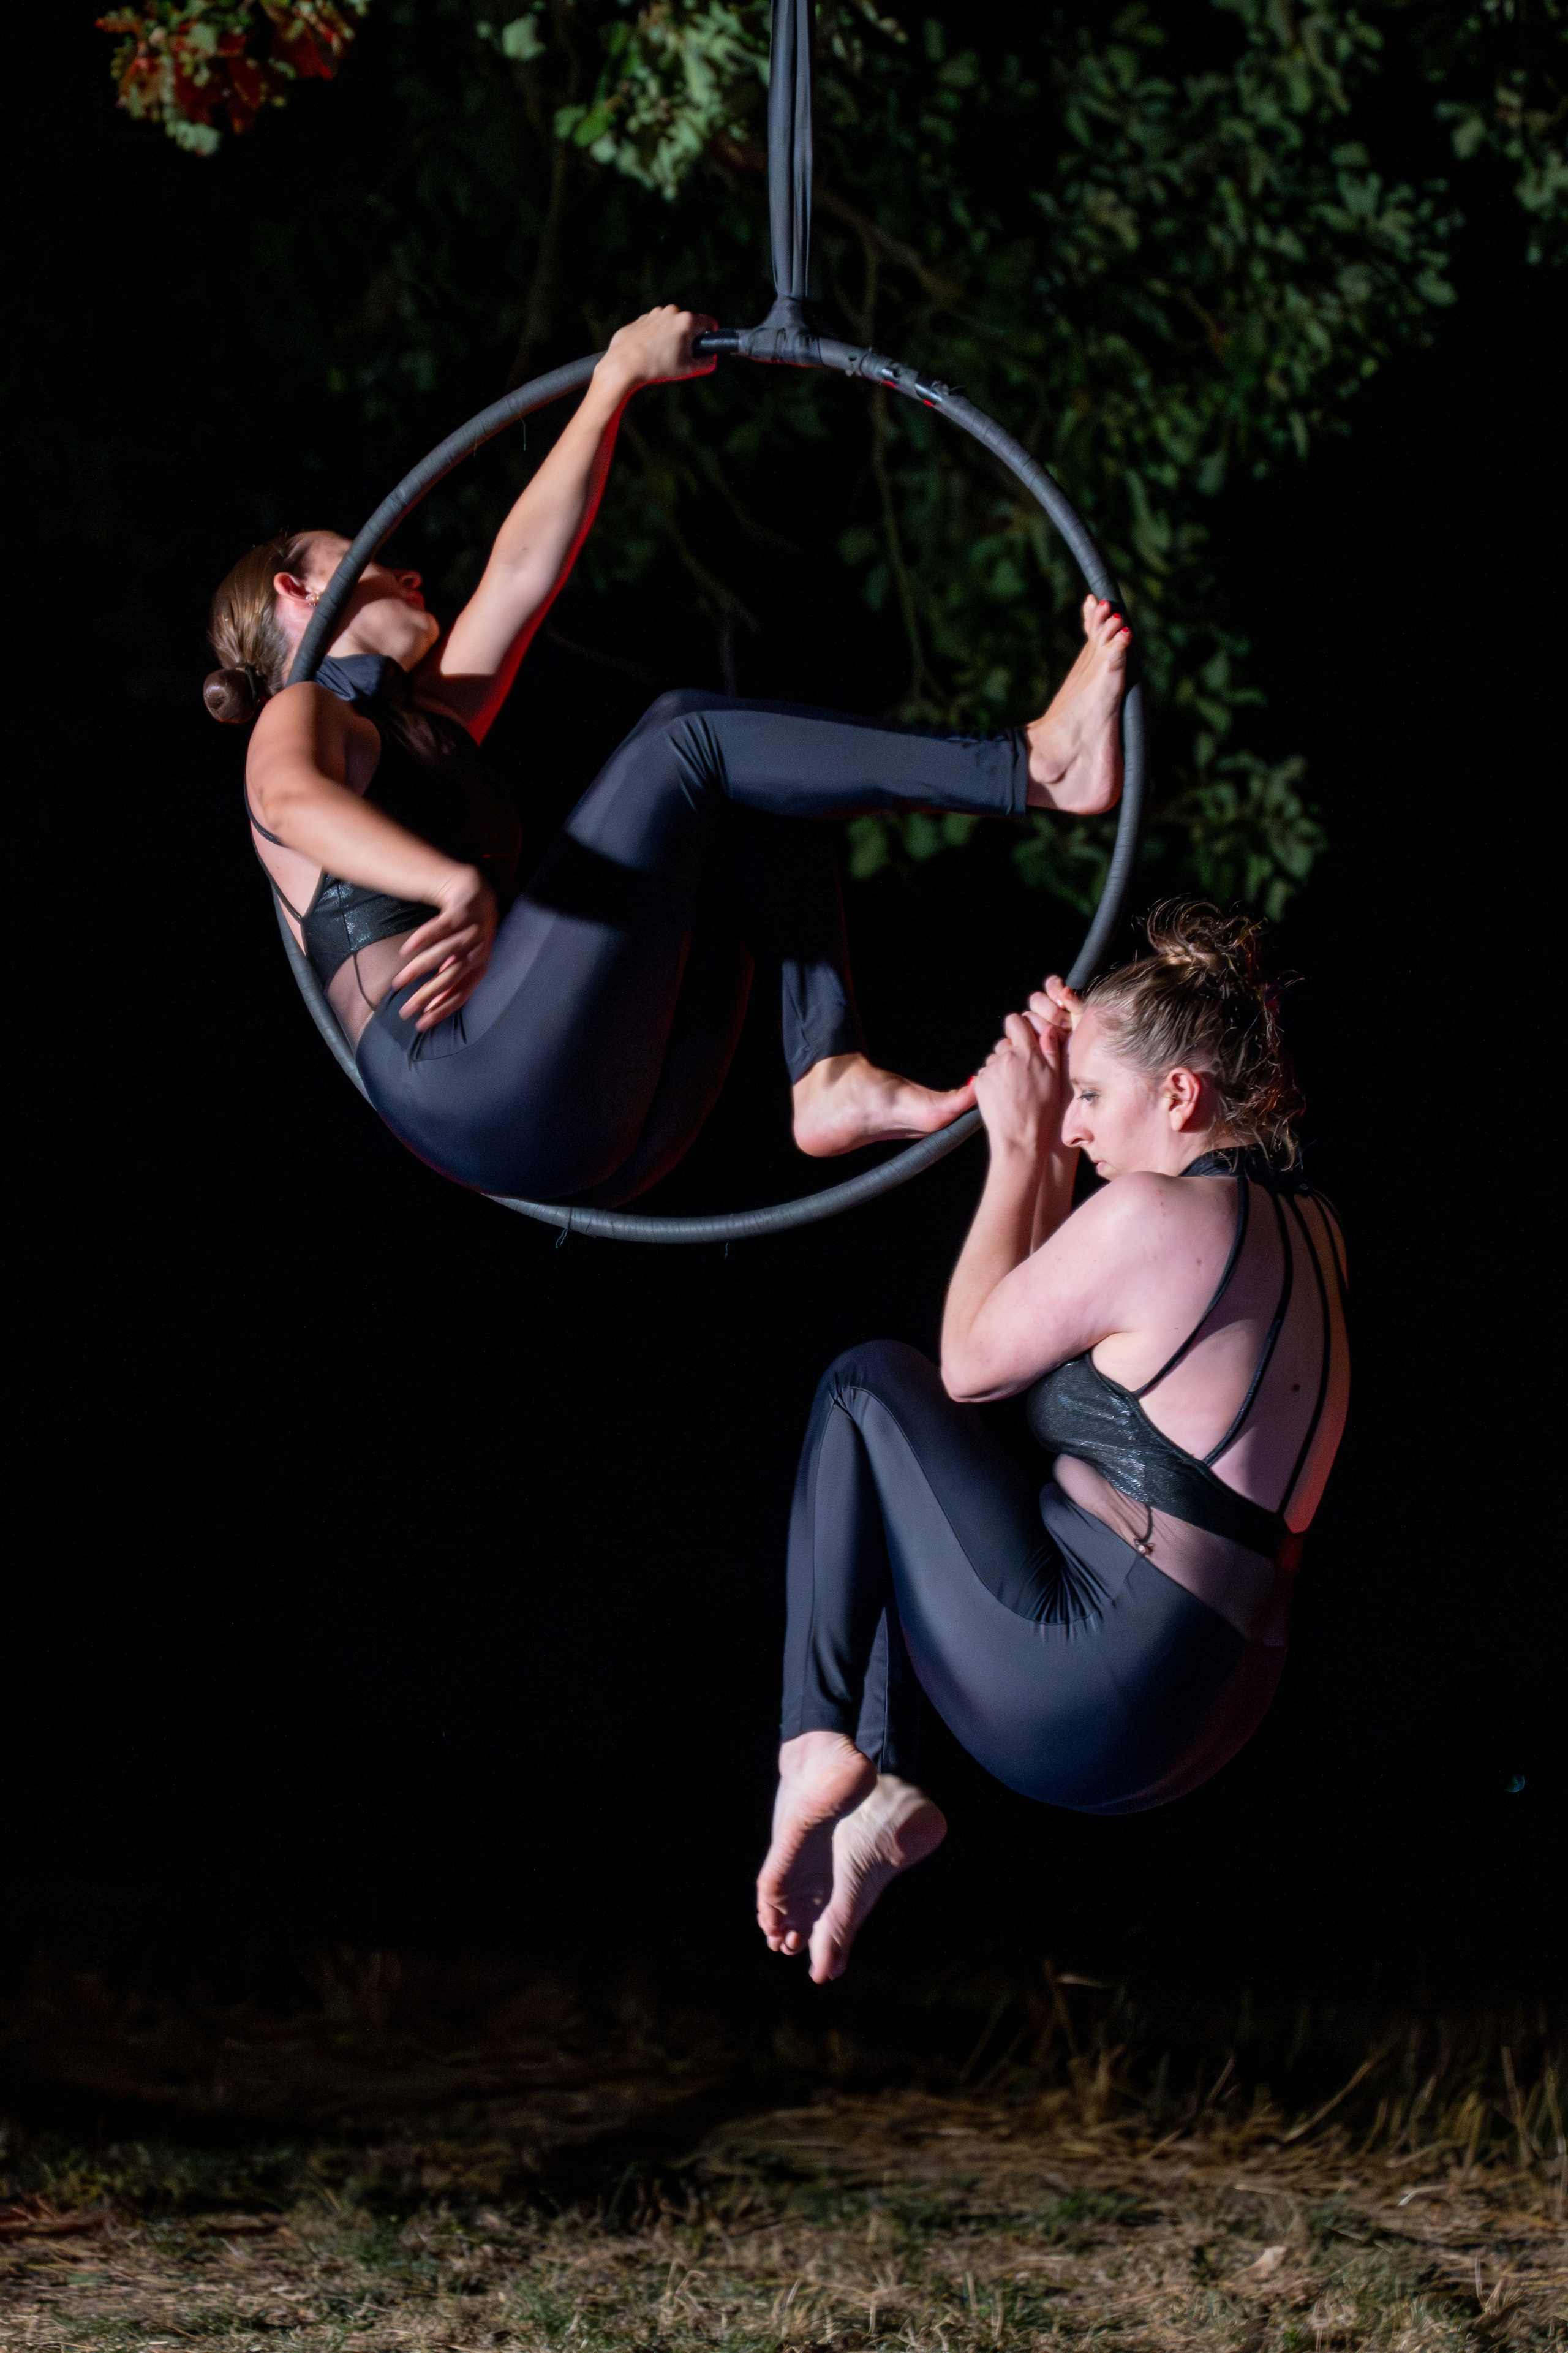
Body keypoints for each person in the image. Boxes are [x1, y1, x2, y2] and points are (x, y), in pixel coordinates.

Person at [207, 306, 1129, 1207]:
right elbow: (289, 802)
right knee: (683, 733)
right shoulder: (300, 709)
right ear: (300, 592)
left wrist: (617, 381)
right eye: (365, 561)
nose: (409, 573)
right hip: (467, 1080)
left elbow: (521, 571)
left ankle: (827, 1067)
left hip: (604, 1123)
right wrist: (450, 882)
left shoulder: (421, 722)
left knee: (760, 784)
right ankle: (1033, 765)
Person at [756, 901, 1350, 1982]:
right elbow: (1035, 1323)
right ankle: (879, 1793)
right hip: (1215, 1702)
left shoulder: (1158, 1216)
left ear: (1180, 1095)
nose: (1077, 1127)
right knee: (911, 1473)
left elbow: (969, 1364)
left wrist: (1020, 1139)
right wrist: (1071, 1080)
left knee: (866, 1388)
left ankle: (814, 1745)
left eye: (1095, 1098)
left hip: (1100, 1674)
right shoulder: (1312, 1231)